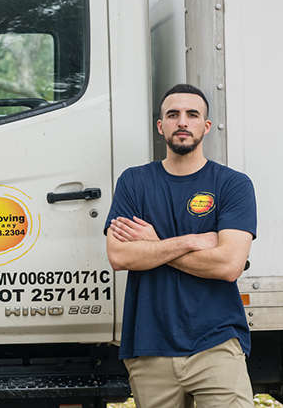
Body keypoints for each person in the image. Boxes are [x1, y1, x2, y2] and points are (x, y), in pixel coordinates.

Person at [105, 84, 256, 408]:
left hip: (216, 343)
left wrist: (154, 246)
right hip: (150, 347)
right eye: (173, 115)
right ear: (161, 126)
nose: (183, 122)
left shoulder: (232, 184)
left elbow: (228, 265)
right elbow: (119, 255)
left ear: (206, 126)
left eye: (192, 114)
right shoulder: (134, 182)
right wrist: (190, 242)